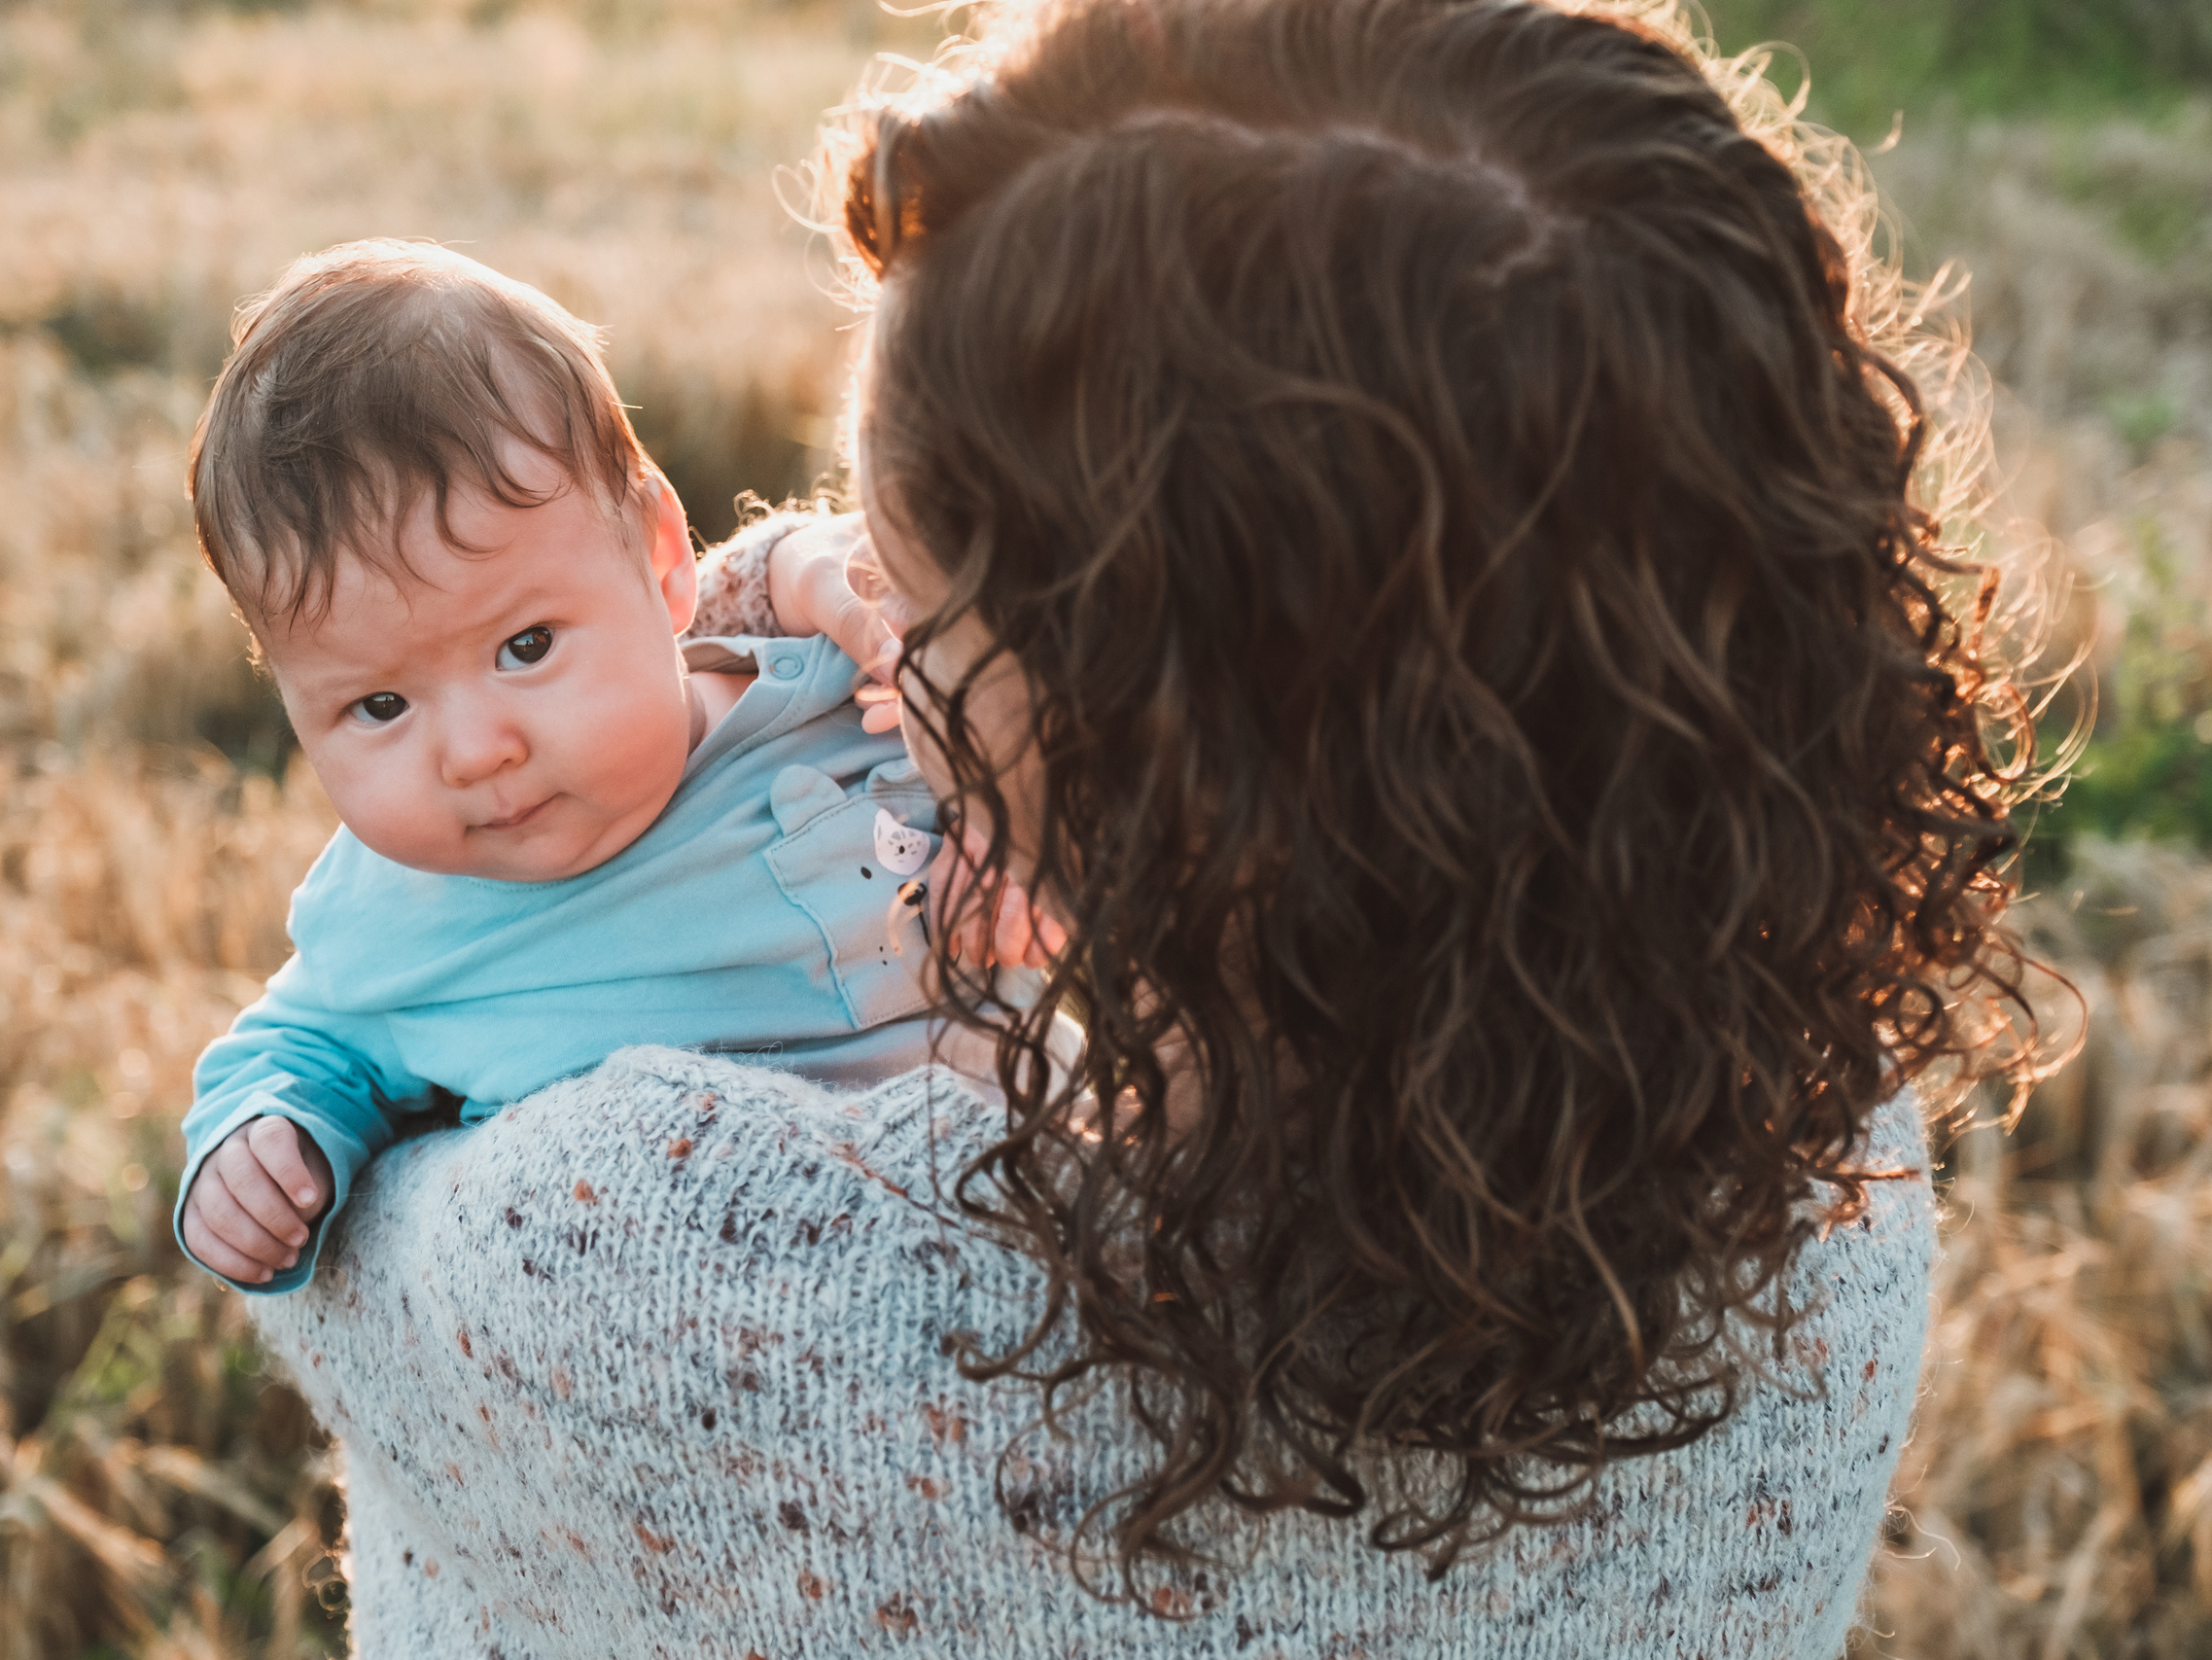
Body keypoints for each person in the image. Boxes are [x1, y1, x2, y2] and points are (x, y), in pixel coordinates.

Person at [246, 0, 2043, 1652]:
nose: (845, 614)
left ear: (1151, 762)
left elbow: (314, 1238)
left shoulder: (657, 1256)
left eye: (909, 602)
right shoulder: (1823, 1182)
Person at [172, 240, 1036, 1294]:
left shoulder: (845, 697)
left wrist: (1012, 837)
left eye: (526, 647)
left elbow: (1080, 761)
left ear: (665, 561)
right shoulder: (390, 918)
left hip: (1030, 1243)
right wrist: (262, 1144)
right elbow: (304, 1044)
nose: (475, 749)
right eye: (379, 705)